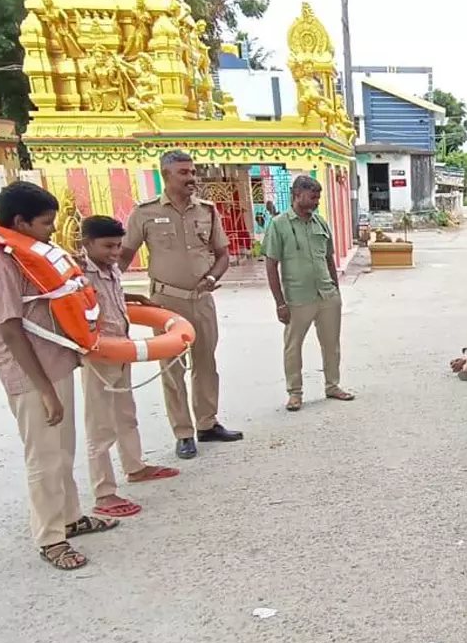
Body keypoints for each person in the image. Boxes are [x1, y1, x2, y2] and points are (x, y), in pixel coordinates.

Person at [0, 182, 116, 570]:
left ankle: (70, 517)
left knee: (63, 449)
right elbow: (9, 329)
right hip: (32, 375)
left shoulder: (28, 254)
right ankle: (51, 538)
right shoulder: (0, 264)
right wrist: (45, 391)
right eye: (45, 223)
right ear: (19, 222)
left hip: (56, 365)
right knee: (44, 457)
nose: (52, 230)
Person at [120, 151, 240, 458]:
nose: (191, 178)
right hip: (165, 302)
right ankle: (183, 432)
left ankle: (207, 423)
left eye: (193, 172)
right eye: (184, 173)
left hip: (201, 300)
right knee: (172, 368)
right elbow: (123, 255)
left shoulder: (208, 211)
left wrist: (212, 279)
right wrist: (107, 289)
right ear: (166, 175)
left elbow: (222, 254)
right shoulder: (144, 213)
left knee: (206, 364)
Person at [77, 216, 179, 519]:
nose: (114, 252)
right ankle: (104, 492)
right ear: (87, 244)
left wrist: (133, 299)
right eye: (108, 246)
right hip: (98, 357)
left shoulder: (111, 270)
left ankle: (135, 467)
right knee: (100, 426)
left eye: (119, 246)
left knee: (126, 414)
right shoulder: (80, 275)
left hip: (121, 350)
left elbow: (110, 299)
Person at [261, 175, 355, 413]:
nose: (316, 202)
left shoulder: (320, 223)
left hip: (326, 295)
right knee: (293, 346)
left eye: (318, 197)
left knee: (331, 344)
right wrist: (279, 303)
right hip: (297, 298)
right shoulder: (279, 225)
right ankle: (295, 393)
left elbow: (329, 259)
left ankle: (332, 385)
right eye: (313, 197)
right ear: (297, 195)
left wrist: (336, 289)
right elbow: (271, 265)